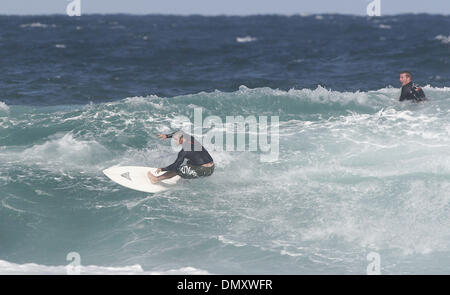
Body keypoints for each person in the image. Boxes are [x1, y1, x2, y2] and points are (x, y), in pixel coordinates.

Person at [147, 131, 214, 184]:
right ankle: (185, 179)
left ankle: (156, 179)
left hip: (204, 170)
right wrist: (167, 136)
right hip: (211, 167)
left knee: (177, 169)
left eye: (176, 139)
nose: (175, 141)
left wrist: (162, 169)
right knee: (189, 162)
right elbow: (179, 132)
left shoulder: (184, 151)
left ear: (181, 138)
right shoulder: (191, 139)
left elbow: (175, 166)